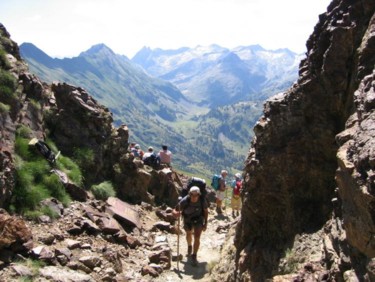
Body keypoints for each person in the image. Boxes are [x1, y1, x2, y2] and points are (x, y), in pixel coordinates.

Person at [173, 186, 208, 266]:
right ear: (189, 194)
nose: (193, 197)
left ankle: (194, 255)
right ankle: (189, 246)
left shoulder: (202, 201)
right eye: (192, 195)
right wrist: (175, 213)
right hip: (187, 219)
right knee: (188, 234)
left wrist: (205, 223)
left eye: (195, 195)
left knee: (197, 237)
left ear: (199, 195)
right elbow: (175, 209)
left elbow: (206, 211)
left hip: (198, 220)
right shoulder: (185, 200)